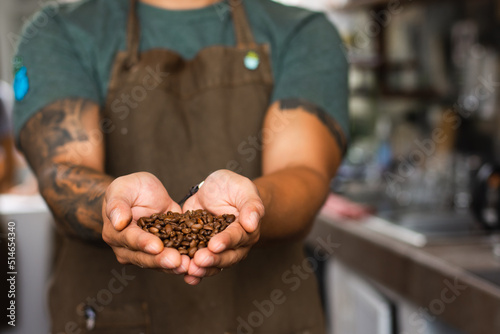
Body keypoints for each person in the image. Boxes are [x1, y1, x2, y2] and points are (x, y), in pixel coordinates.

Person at [13, 0, 348, 332]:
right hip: (110, 318)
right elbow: (63, 169)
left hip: (271, 316)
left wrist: (253, 206)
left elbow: (304, 170)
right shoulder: (60, 30)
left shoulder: (302, 31)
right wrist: (111, 206)